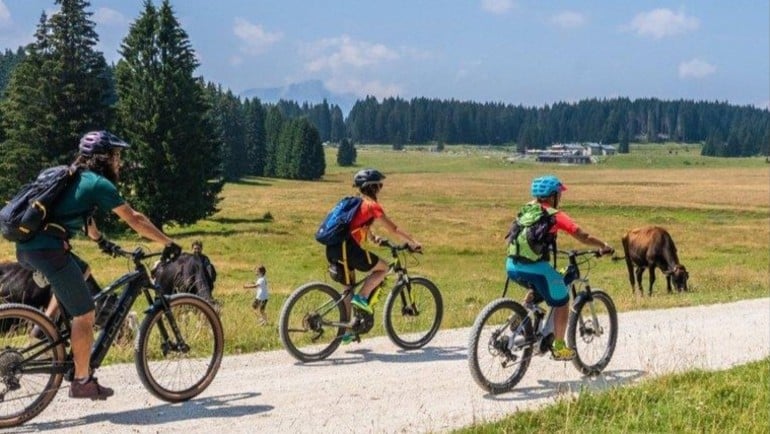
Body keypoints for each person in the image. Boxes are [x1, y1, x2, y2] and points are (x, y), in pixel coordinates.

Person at [15, 130, 182, 400]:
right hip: (47, 251)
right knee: (85, 314)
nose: (120, 162)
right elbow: (135, 219)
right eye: (117, 156)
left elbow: (85, 218)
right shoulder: (98, 184)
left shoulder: (72, 175)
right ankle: (82, 381)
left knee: (83, 270)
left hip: (27, 248)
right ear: (104, 158)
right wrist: (167, 242)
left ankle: (42, 329)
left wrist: (102, 241)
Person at [505, 175, 614, 361]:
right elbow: (583, 236)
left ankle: (522, 314)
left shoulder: (526, 209)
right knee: (562, 300)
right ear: (553, 196)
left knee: (541, 285)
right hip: (535, 268)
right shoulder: (554, 215)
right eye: (559, 194)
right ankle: (559, 347)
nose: (561, 197)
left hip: (512, 266)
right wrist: (603, 246)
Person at [325, 168, 422, 343]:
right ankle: (362, 297)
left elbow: (360, 224)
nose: (380, 189)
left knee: (347, 290)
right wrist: (413, 241)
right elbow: (393, 229)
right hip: (348, 249)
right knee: (383, 268)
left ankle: (346, 332)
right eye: (379, 185)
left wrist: (373, 237)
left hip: (334, 248)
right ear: (372, 187)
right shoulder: (372, 205)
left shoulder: (356, 202)